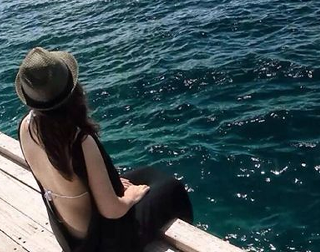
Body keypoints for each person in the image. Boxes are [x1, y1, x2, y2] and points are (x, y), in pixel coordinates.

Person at [16, 47, 193, 252]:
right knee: (172, 188)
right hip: (101, 243)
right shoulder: (80, 140)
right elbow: (111, 211)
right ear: (72, 91)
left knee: (146, 173)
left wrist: (114, 185)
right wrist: (131, 196)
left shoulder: (25, 127)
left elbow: (72, 183)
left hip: (68, 237)